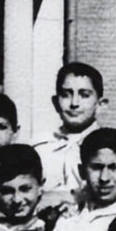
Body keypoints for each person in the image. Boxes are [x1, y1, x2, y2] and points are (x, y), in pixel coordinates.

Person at [33, 62, 105, 208]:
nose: (74, 103)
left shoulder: (111, 147)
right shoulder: (39, 149)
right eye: (66, 95)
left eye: (84, 95)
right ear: (55, 102)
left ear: (100, 103)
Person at [0, 144, 46, 231]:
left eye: (25, 189)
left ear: (41, 185)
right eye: (6, 191)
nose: (17, 200)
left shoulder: (56, 220)